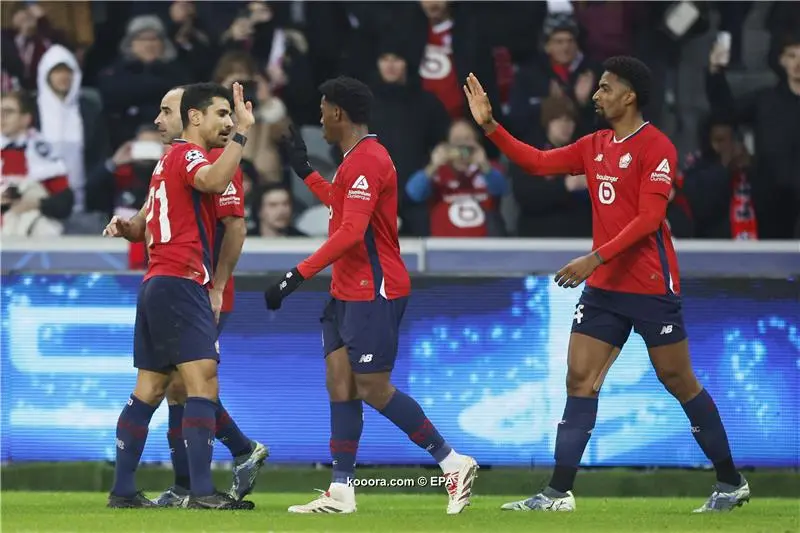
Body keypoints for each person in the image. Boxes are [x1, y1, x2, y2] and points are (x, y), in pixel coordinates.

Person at [463, 58, 750, 513]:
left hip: (650, 284)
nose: (595, 96)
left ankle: (731, 482)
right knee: (579, 379)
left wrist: (593, 257)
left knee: (678, 380)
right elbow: (538, 163)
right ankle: (557, 493)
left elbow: (650, 219)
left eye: (604, 88)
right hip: (605, 287)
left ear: (629, 95)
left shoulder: (657, 147)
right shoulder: (594, 144)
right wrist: (491, 126)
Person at [264, 76, 478, 514]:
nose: (319, 119)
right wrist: (307, 173)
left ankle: (453, 463)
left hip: (373, 290)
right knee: (339, 383)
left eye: (323, 109)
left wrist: (294, 276)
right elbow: (343, 208)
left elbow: (351, 231)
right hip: (346, 289)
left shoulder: (368, 160)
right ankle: (341, 490)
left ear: (338, 113)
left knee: (372, 387)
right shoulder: (354, 159)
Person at [102, 81, 255, 510]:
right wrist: (243, 134)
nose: (227, 122)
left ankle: (124, 491)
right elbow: (211, 179)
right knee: (200, 383)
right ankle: (202, 492)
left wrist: (127, 227)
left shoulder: (164, 162)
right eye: (221, 115)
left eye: (231, 116)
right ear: (196, 117)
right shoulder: (190, 154)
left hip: (157, 282)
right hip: (183, 279)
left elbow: (145, 223)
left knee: (149, 390)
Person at [139, 86, 267, 508]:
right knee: (181, 386)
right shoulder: (172, 161)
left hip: (202, 285)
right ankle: (195, 480)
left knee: (192, 383)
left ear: (190, 116)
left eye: (165, 110)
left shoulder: (217, 160)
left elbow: (235, 228)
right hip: (180, 282)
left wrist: (218, 286)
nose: (159, 119)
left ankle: (216, 470)